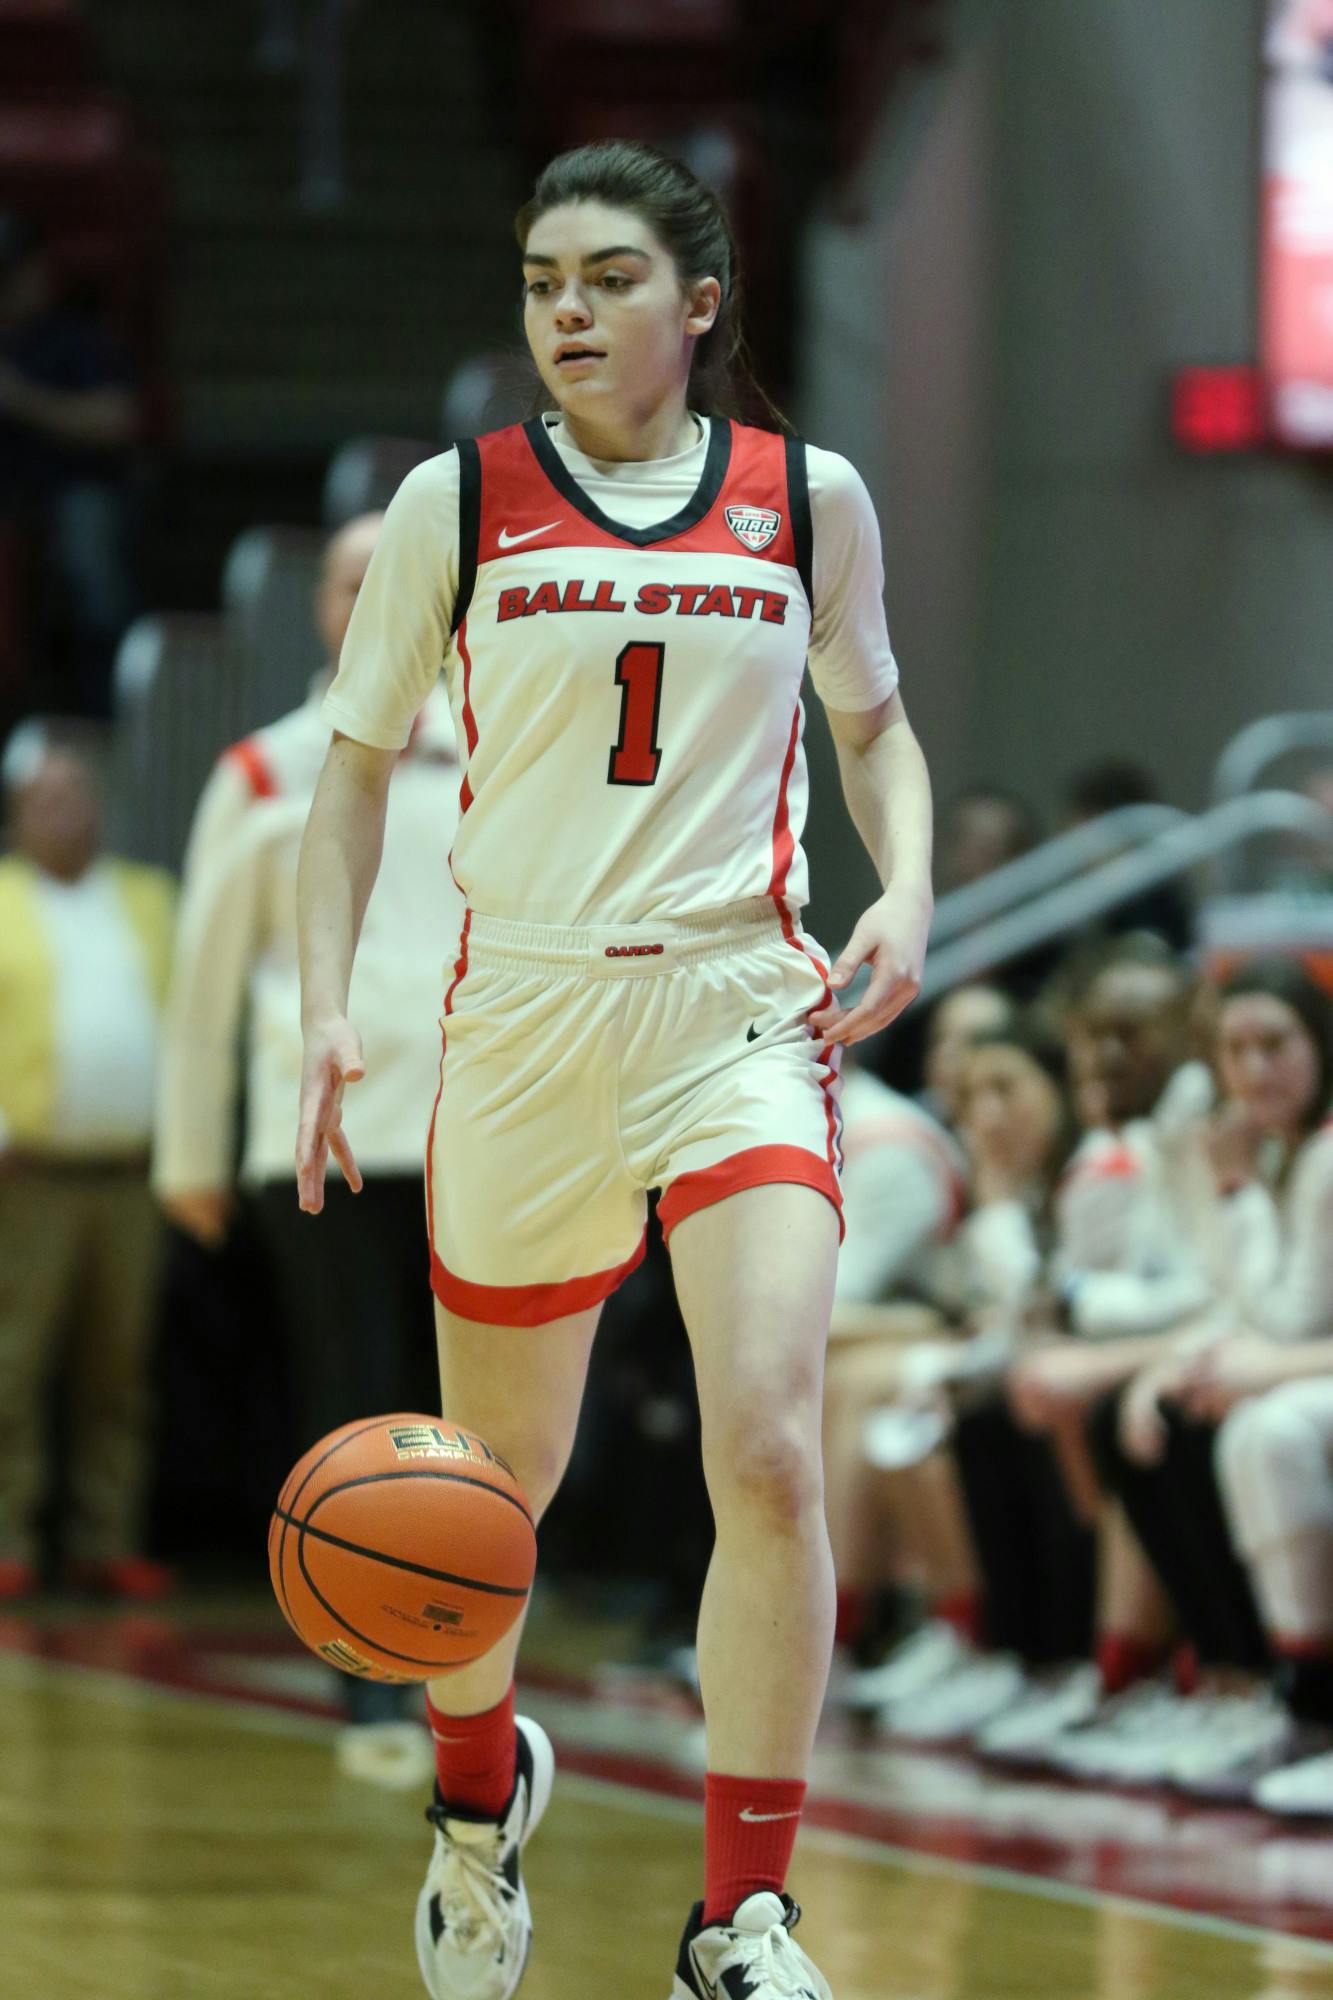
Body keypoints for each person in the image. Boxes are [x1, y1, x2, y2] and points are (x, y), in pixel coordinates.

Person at [294, 140, 933, 2000]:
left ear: (700, 303)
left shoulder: (806, 501)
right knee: (487, 1493)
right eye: (540, 283)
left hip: (738, 1005)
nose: (564, 312)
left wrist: (906, 889)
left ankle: (741, 1916)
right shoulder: (458, 502)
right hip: (523, 1025)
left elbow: (875, 724)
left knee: (772, 1446)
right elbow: (352, 775)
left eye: (606, 280)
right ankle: (476, 1812)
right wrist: (333, 1002)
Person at [153, 512, 459, 1787]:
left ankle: (462, 1654)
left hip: (476, 1137)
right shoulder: (267, 770)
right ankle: (371, 1679)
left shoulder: (501, 759)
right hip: (324, 1138)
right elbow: (204, 981)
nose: (372, 595)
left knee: (478, 1415)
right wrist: (190, 1154)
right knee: (355, 1405)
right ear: (325, 607)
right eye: (352, 577)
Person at [1083, 957, 1333, 1795]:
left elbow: (1285, 1317)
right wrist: (1177, 1361)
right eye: (1236, 1049)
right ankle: (1242, 1685)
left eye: (1276, 1044)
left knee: (1261, 1430)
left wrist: (1231, 1187)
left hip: (1308, 1369)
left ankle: (1293, 1700)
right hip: (1303, 1357)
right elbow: (1259, 1302)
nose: (1255, 1069)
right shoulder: (1290, 1150)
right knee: (1159, 1411)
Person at [0, 725, 175, 1598]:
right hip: (29, 1176)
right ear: (18, 813)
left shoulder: (146, 897)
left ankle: (107, 1539)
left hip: (133, 1174)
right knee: (13, 1365)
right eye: (46, 798)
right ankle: (11, 1539)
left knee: (120, 1367)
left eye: (77, 795)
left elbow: (181, 1019)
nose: (63, 812)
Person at [0, 212, 140, 716]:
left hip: (70, 494)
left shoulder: (70, 340)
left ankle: (105, 704)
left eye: (12, 274)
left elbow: (119, 419)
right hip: (10, 506)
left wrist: (22, 399)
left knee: (88, 545)